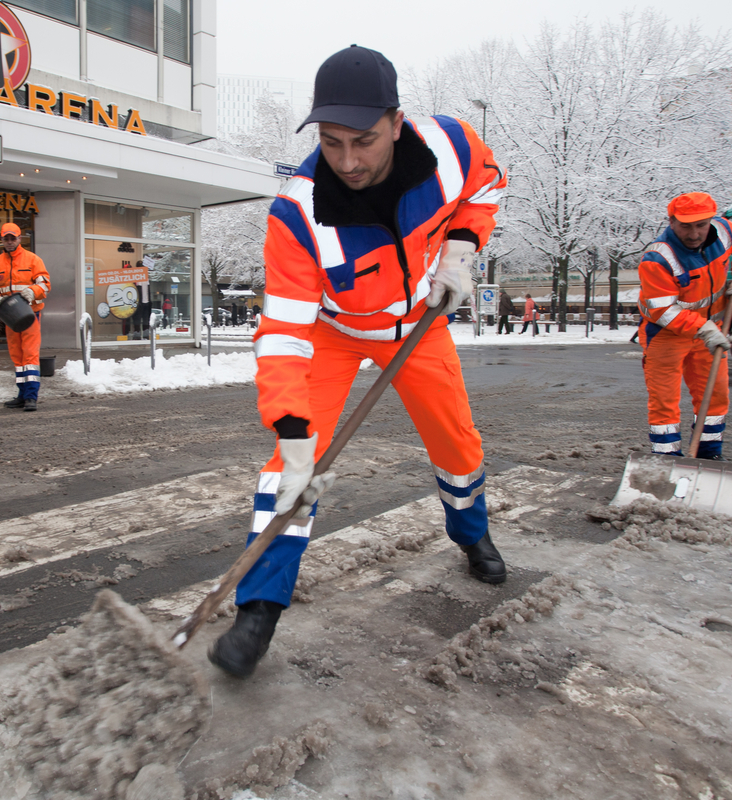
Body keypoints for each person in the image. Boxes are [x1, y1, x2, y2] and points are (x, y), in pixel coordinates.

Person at [208, 45, 508, 679]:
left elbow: (484, 188)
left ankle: (469, 530)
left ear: (397, 124)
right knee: (289, 471)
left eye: (364, 141)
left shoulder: (451, 147)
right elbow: (284, 333)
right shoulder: (298, 213)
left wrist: (459, 250)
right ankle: (258, 607)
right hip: (335, 331)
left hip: (417, 325)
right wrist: (293, 436)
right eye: (331, 141)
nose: (347, 160)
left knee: (456, 442)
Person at [636, 192, 732, 459]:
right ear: (671, 222)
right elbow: (663, 311)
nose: (694, 234)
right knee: (665, 401)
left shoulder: (725, 231)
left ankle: (709, 453)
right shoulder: (658, 259)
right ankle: (666, 458)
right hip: (666, 335)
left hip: (711, 329)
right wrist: (704, 330)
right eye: (686, 226)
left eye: (701, 225)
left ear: (711, 221)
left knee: (714, 394)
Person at [0, 222, 50, 412]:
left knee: (29, 355)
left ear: (20, 239)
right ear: (2, 239)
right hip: (10, 316)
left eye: (13, 238)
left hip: (30, 314)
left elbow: (45, 284)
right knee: (17, 357)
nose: (10, 241)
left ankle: (31, 397)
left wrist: (32, 292)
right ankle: (22, 395)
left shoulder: (32, 260)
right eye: (6, 238)